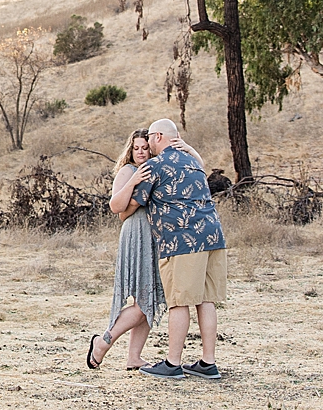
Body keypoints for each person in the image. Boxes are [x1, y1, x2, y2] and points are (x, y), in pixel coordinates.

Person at [138, 119, 229, 380]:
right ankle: (208, 362)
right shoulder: (193, 163)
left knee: (179, 301)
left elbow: (135, 201)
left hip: (183, 239)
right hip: (213, 235)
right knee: (206, 299)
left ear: (157, 137)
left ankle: (173, 362)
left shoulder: (154, 166)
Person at [85, 128, 164, 371]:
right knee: (142, 302)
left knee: (148, 299)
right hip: (136, 236)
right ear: (130, 150)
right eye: (136, 148)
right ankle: (103, 342)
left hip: (155, 236)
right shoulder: (127, 171)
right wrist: (133, 180)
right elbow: (116, 208)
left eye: (144, 148)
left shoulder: (156, 170)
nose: (140, 152)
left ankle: (134, 357)